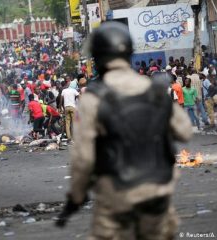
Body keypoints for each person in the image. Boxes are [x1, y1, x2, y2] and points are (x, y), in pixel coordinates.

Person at [55, 22, 193, 239]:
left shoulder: (93, 98)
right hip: (158, 194)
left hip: (117, 197)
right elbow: (184, 131)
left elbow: (83, 158)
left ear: (98, 57)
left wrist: (76, 196)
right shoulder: (153, 89)